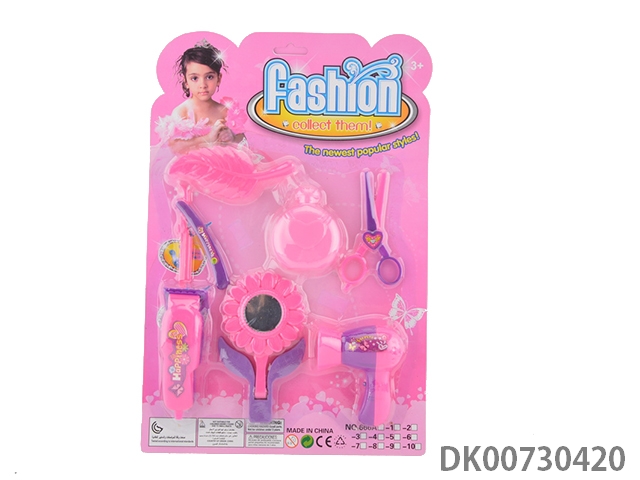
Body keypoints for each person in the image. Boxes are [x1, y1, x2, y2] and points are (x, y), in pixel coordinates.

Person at [156, 39, 246, 155]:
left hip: (222, 161)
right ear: (185, 81)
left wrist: (232, 137)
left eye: (209, 77)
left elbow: (243, 141)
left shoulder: (224, 111)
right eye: (195, 78)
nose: (203, 85)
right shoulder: (183, 112)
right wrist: (208, 138)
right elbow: (175, 147)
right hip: (192, 163)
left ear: (219, 78)